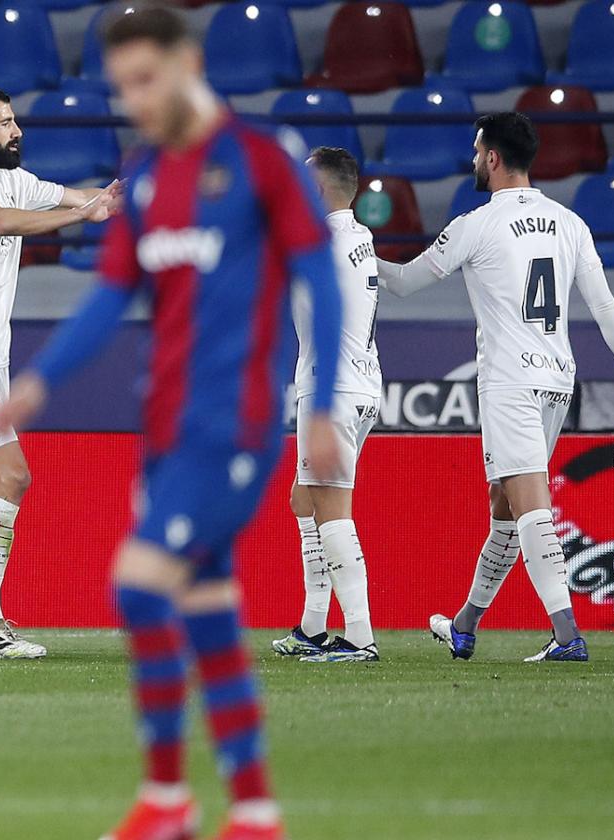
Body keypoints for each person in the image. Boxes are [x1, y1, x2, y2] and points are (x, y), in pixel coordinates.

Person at [0, 7, 343, 838]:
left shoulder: (263, 161)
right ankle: (254, 810)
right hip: (166, 430)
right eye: (122, 88)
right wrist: (40, 383)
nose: (136, 100)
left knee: (138, 587)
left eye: (147, 80)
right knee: (209, 608)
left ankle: (166, 801)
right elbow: (114, 293)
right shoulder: (146, 174)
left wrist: (323, 402)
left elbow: (320, 283)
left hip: (237, 424)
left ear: (189, 62)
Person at [375, 112, 614, 662]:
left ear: (494, 158)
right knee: (504, 501)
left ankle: (567, 634)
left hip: (509, 380)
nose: (474, 159)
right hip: (557, 379)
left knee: (529, 503)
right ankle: (465, 623)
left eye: (478, 150)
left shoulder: (476, 223)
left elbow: (406, 283)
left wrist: (359, 256)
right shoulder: (569, 222)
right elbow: (603, 306)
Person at [0, 84, 123, 659]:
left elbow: (72, 195)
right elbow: (2, 222)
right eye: (6, 124)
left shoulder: (15, 178)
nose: (17, 132)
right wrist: (80, 214)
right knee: (14, 476)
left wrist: (109, 199)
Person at [271, 147, 382, 663]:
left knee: (333, 510)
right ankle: (314, 625)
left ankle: (360, 637)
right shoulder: (360, 236)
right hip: (358, 386)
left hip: (330, 389)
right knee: (305, 500)